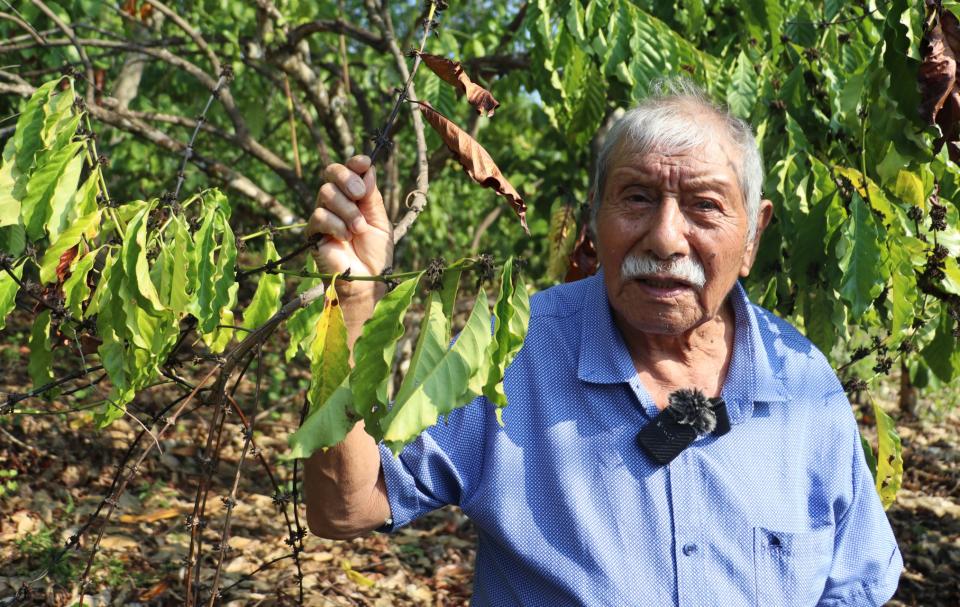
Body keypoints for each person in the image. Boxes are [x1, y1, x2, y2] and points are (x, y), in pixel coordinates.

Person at [302, 81, 903, 606]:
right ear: (595, 218)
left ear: (753, 237)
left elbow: (853, 586)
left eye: (705, 206)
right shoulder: (514, 352)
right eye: (637, 198)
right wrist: (352, 304)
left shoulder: (803, 382)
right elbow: (346, 505)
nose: (666, 238)